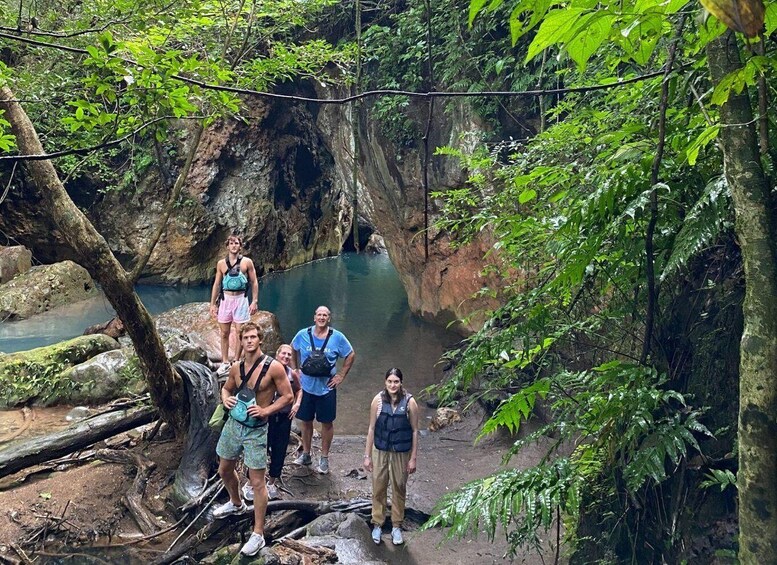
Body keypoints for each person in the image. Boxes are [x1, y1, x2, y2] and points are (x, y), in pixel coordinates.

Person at [213, 322, 293, 557]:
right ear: (240, 341)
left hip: (257, 430)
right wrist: (225, 398)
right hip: (234, 425)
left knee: (257, 482)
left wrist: (267, 410)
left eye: (253, 337)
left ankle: (257, 534)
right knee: (224, 469)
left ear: (260, 340)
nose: (249, 341)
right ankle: (236, 503)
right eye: (245, 337)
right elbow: (227, 389)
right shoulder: (236, 367)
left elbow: (288, 396)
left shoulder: (274, 368)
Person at [291, 305, 355, 475]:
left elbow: (350, 354)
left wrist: (341, 375)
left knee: (326, 423)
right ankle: (306, 454)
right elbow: (292, 348)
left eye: (325, 315)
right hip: (306, 387)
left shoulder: (338, 337)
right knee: (305, 421)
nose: (321, 317)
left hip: (327, 388)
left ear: (329, 318)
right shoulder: (303, 334)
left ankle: (324, 458)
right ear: (314, 317)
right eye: (319, 314)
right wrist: (295, 369)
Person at [364, 367, 419, 546]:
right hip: (380, 449)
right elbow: (371, 428)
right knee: (378, 486)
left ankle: (396, 525)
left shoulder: (410, 403)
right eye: (390, 381)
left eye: (396, 381)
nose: (393, 385)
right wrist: (367, 455)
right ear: (385, 382)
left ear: (401, 382)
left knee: (399, 487)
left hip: (401, 452)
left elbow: (415, 431)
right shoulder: (377, 401)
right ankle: (377, 524)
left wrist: (413, 458)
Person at [242, 343, 302, 502]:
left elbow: (298, 390)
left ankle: (272, 481)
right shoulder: (265, 370)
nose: (286, 357)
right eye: (283, 354)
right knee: (259, 447)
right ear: (277, 354)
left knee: (279, 449)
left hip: (283, 417)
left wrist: (296, 404)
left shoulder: (291, 375)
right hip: (265, 416)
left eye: (289, 355)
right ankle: (250, 482)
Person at [209, 235, 259, 376]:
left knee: (240, 333)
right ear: (227, 246)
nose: (234, 246)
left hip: (241, 300)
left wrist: (254, 301)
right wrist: (213, 304)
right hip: (226, 299)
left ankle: (236, 361)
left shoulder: (247, 262)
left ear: (240, 246)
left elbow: (254, 281)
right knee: (224, 333)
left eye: (236, 243)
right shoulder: (221, 264)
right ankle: (225, 363)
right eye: (231, 243)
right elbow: (217, 284)